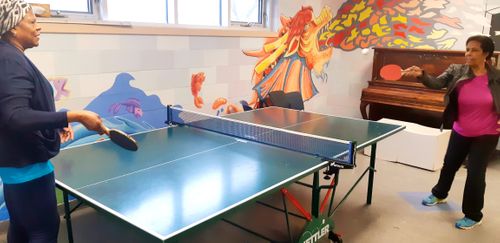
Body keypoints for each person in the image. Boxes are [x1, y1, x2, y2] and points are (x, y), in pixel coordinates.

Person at [0, 0, 108, 242]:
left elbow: (16, 111)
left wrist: (53, 122)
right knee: (43, 232)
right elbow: (14, 116)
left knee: (21, 229)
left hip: (17, 169)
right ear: (13, 28)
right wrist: (76, 115)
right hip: (29, 171)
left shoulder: (8, 56)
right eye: (32, 22)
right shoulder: (9, 60)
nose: (39, 27)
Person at [403, 35, 500, 230]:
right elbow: (437, 83)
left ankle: (473, 215)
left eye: (474, 50)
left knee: (475, 173)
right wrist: (421, 75)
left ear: (486, 53)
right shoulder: (457, 70)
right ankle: (439, 193)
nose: (468, 53)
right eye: (467, 49)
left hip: (487, 133)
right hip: (460, 129)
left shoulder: (497, 77)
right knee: (449, 166)